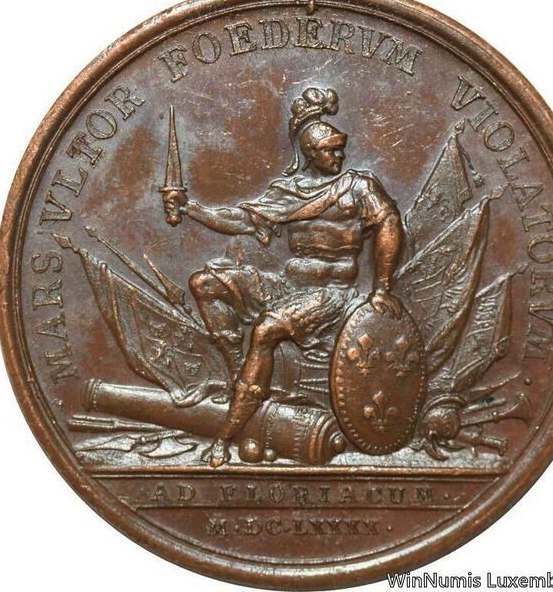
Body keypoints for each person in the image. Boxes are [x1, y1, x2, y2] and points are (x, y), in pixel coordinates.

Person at [164, 87, 404, 467]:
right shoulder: (288, 192)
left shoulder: (358, 186)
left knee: (266, 331)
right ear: (310, 153)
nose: (339, 156)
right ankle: (239, 376)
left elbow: (389, 223)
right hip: (291, 287)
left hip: (333, 294)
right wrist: (191, 209)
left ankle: (228, 433)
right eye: (330, 150)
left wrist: (383, 287)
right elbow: (240, 220)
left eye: (340, 148)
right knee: (204, 283)